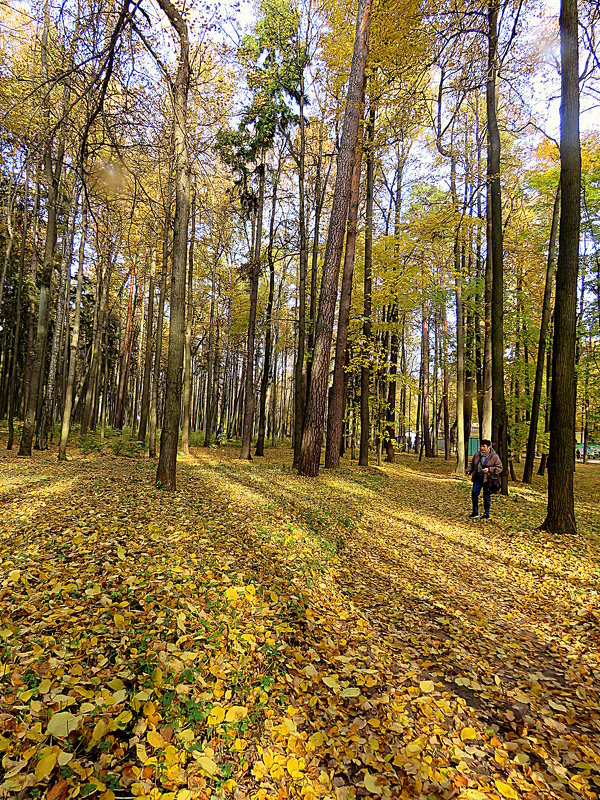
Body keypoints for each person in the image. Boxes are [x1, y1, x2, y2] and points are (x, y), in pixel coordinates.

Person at [466, 439, 502, 520]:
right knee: (474, 493)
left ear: (489, 447)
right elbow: (472, 465)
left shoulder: (494, 456)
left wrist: (489, 470)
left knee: (486, 496)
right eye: (481, 446)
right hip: (477, 478)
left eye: (484, 446)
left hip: (488, 479)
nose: (482, 448)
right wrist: (468, 471)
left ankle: (486, 513)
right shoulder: (477, 455)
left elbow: (500, 468)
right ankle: (475, 512)